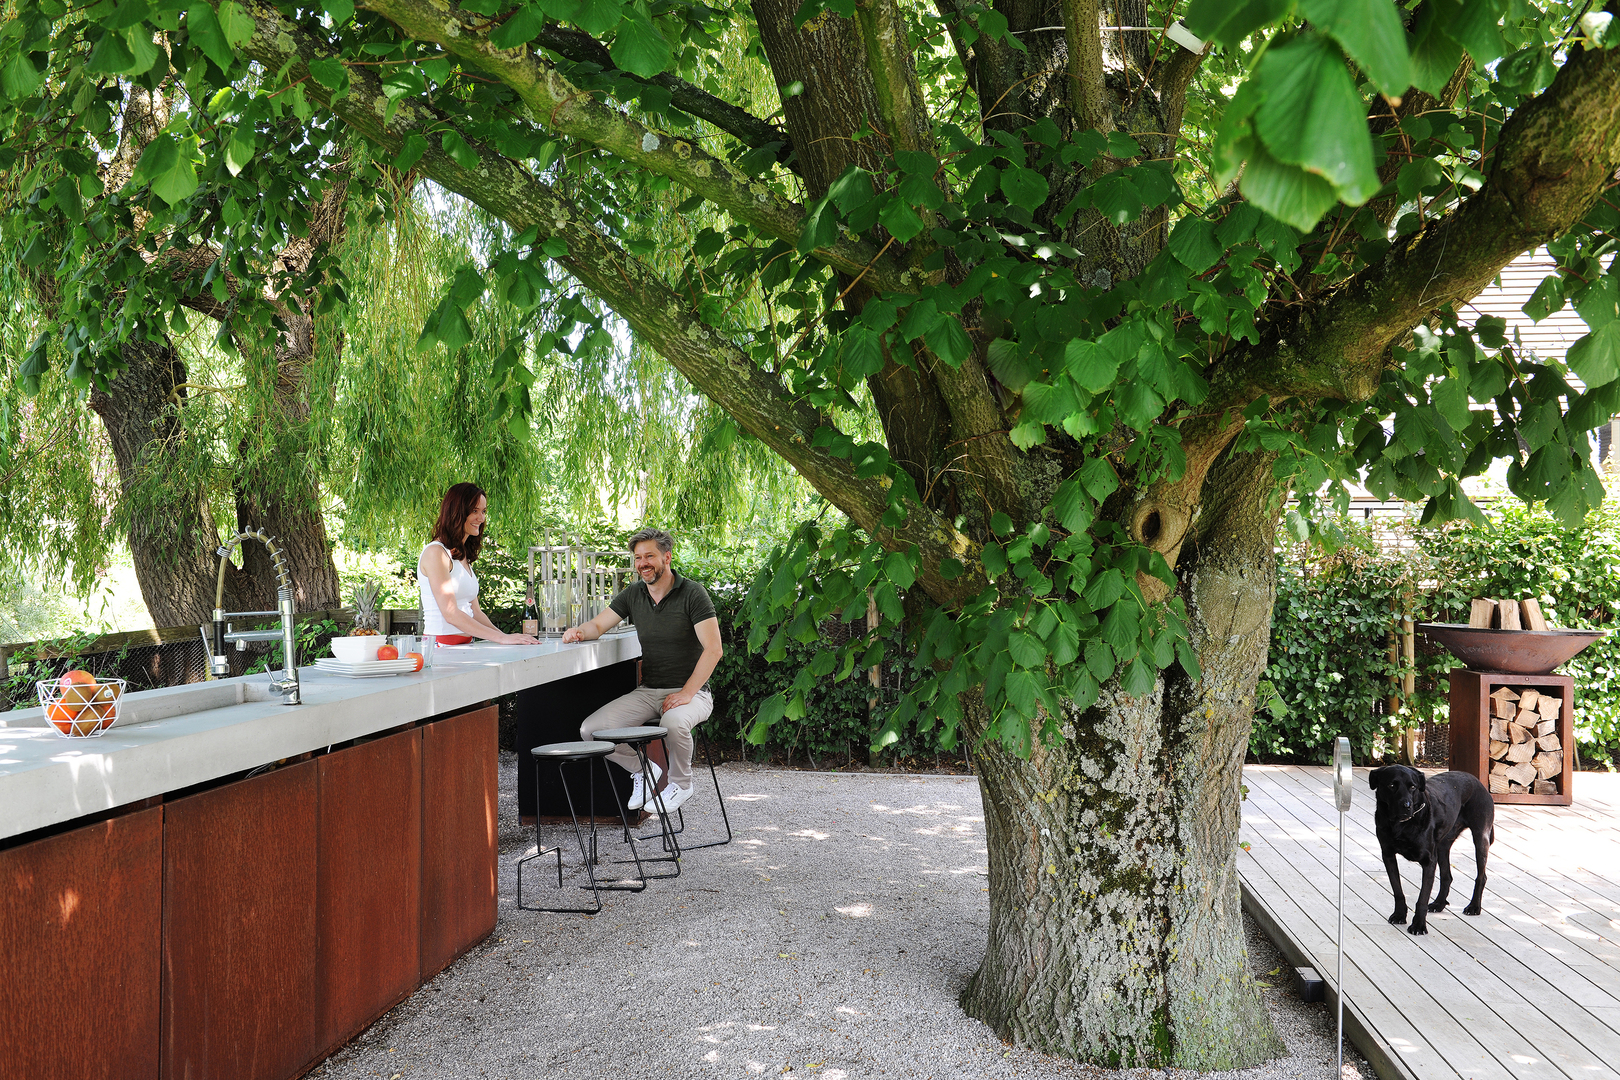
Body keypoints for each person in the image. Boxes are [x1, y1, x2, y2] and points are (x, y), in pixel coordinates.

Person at [563, 527, 722, 812]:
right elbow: (598, 625)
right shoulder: (634, 594)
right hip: (650, 691)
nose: (642, 563)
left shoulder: (693, 594)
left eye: (649, 556)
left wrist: (687, 693)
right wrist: (577, 632)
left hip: (693, 693)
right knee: (591, 730)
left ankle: (681, 784)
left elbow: (714, 649)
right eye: (638, 557)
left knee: (672, 723)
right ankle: (644, 770)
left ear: (667, 557)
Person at [418, 483, 539, 646]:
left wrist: (506, 637)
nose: (481, 518)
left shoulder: (461, 555)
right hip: (441, 648)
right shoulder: (436, 553)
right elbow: (450, 613)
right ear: (457, 512)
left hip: (466, 646)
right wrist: (502, 638)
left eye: (483, 511)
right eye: (474, 511)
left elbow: (475, 611)